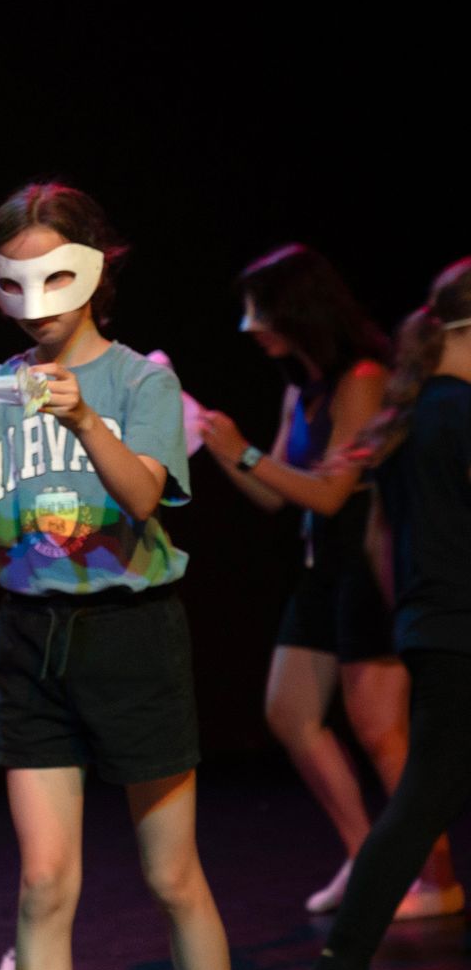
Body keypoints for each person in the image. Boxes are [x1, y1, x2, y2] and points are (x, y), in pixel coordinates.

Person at [0, 184, 230, 970]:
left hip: (133, 635)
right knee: (45, 883)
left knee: (172, 877)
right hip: (32, 639)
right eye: (13, 283)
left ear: (96, 270)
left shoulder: (140, 383)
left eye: (56, 276)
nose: (36, 303)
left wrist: (86, 419)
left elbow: (144, 497)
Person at [195, 245, 457, 916]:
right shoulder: (300, 389)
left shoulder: (362, 379)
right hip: (322, 569)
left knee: (380, 730)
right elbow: (275, 494)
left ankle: (438, 879)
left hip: (369, 563)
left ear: (295, 309)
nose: (249, 327)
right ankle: (367, 861)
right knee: (290, 712)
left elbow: (333, 495)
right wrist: (215, 445)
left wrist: (241, 451)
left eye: (258, 311)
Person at [309, 257, 471, 970]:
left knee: (423, 798)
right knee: (422, 800)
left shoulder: (410, 416)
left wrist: (408, 613)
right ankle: (340, 963)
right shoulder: (458, 412)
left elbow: (381, 540)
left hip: (431, 623)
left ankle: (341, 962)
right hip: (459, 625)